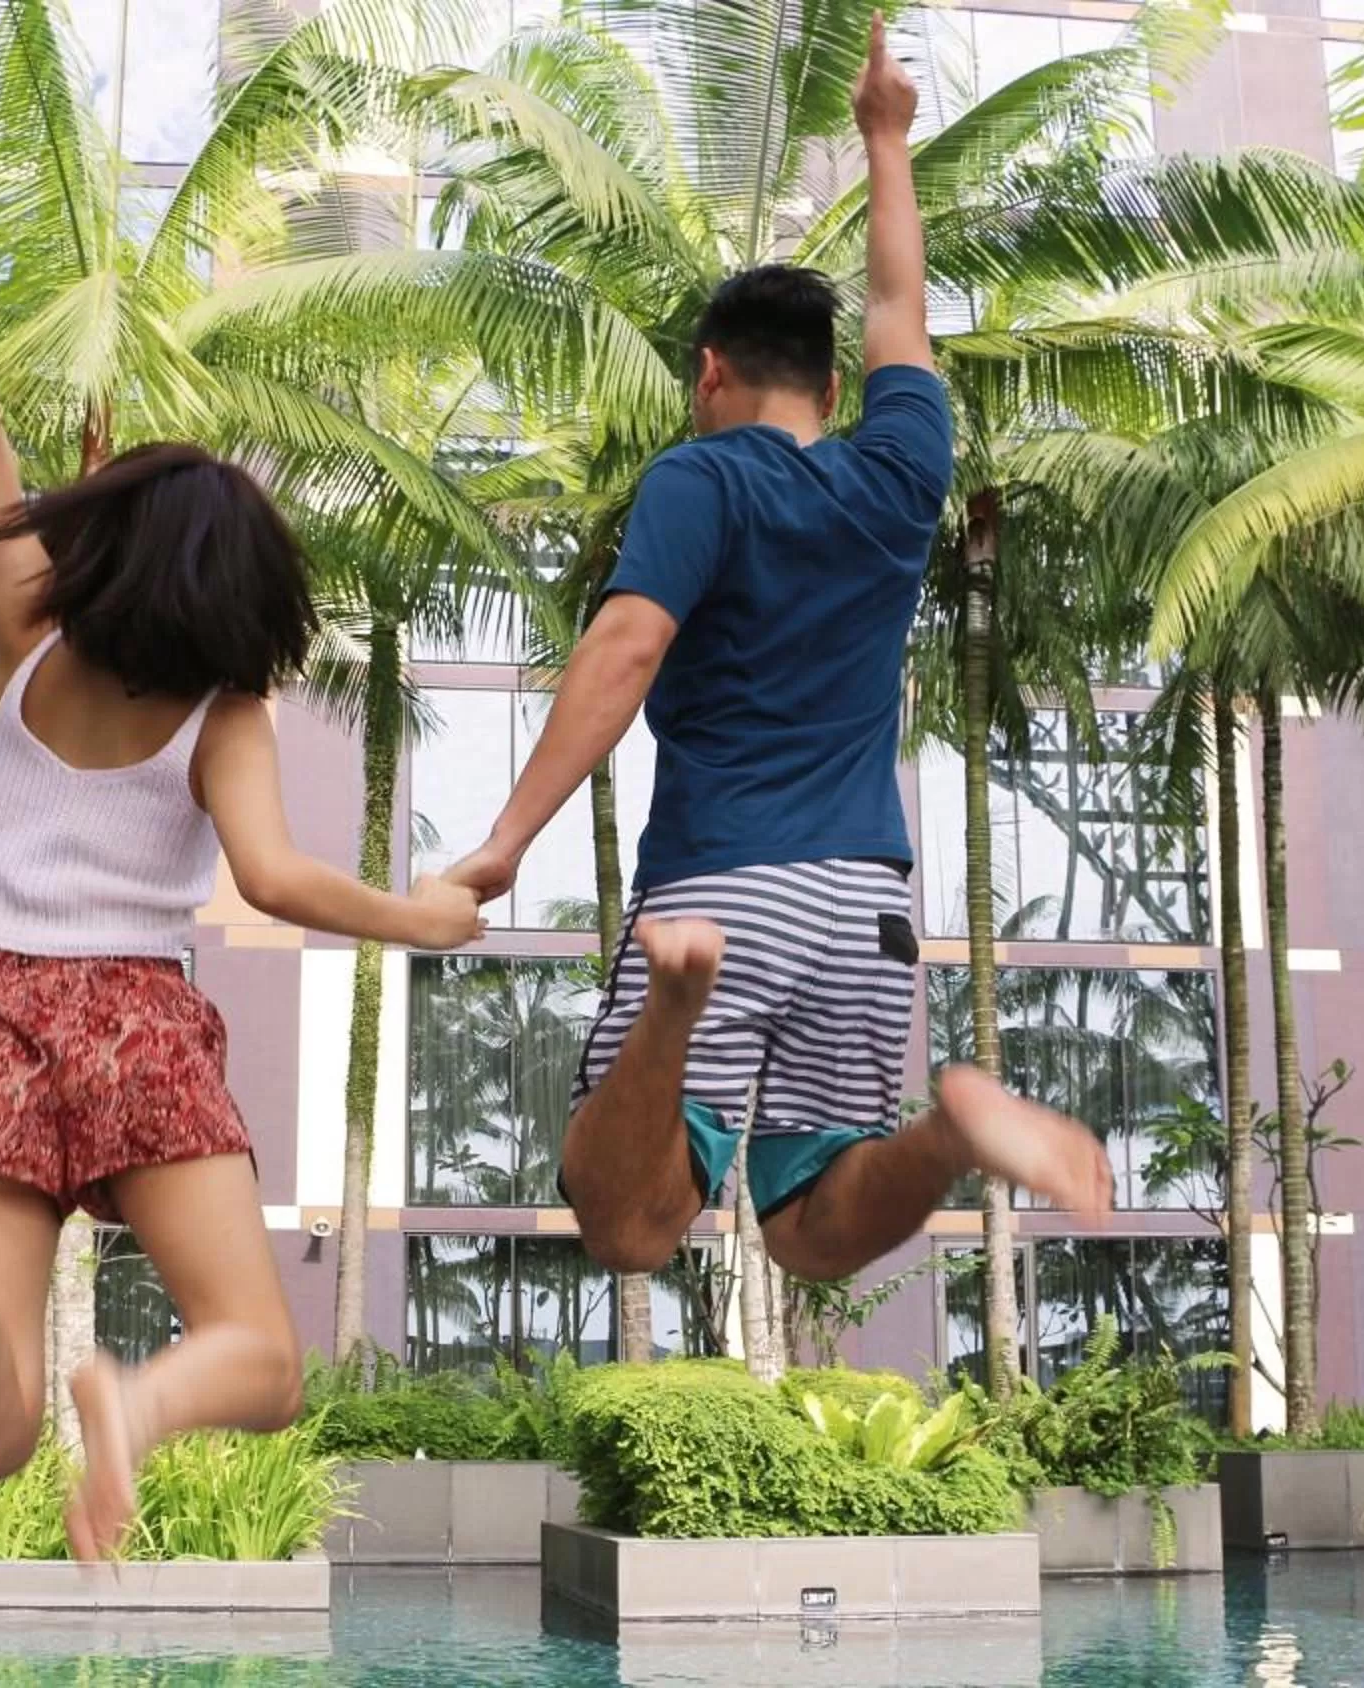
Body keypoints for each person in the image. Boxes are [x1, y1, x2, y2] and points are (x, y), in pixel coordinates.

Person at [0, 133, 485, 1561]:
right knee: (257, 1357)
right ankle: (139, 1402)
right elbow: (275, 879)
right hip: (138, 1025)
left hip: (1, 1012)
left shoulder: (26, 643)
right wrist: (420, 919)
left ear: (108, 543)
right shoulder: (221, 712)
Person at [447, 21, 1114, 1289]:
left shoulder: (702, 477)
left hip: (722, 881)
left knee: (630, 1223)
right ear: (826, 379)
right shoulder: (903, 468)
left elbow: (629, 640)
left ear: (710, 373)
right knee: (808, 1233)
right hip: (864, 902)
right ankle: (951, 1125)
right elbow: (897, 305)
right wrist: (886, 138)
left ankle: (677, 1005)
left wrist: (508, 837)